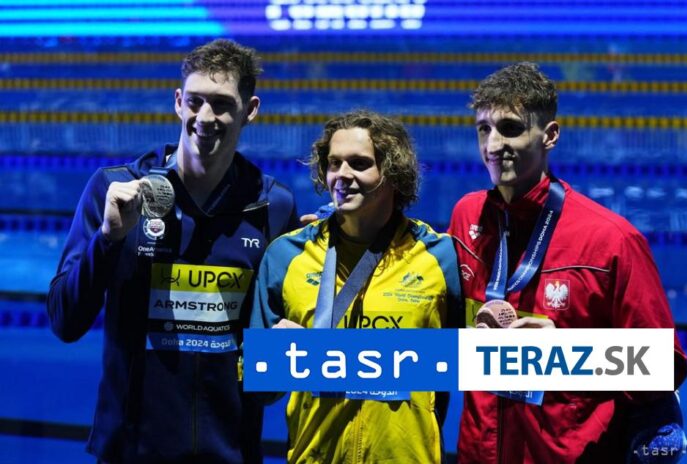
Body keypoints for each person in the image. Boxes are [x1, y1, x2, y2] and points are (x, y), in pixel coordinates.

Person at [47, 39, 299, 463]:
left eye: (222, 104)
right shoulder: (114, 190)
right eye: (195, 101)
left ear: (250, 110)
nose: (205, 116)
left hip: (231, 453)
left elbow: (278, 342)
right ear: (178, 102)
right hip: (131, 452)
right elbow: (64, 321)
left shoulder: (273, 207)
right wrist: (107, 238)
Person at [448, 62, 687, 463]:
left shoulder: (611, 240)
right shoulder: (467, 217)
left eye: (510, 128)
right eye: (483, 129)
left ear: (550, 135)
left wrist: (568, 353)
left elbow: (665, 365)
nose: (493, 144)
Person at [250, 110, 462, 463]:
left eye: (359, 164)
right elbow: (261, 388)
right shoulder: (288, 255)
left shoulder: (439, 258)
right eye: (335, 163)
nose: (342, 174)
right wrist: (275, 357)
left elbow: (464, 362)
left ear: (393, 173)